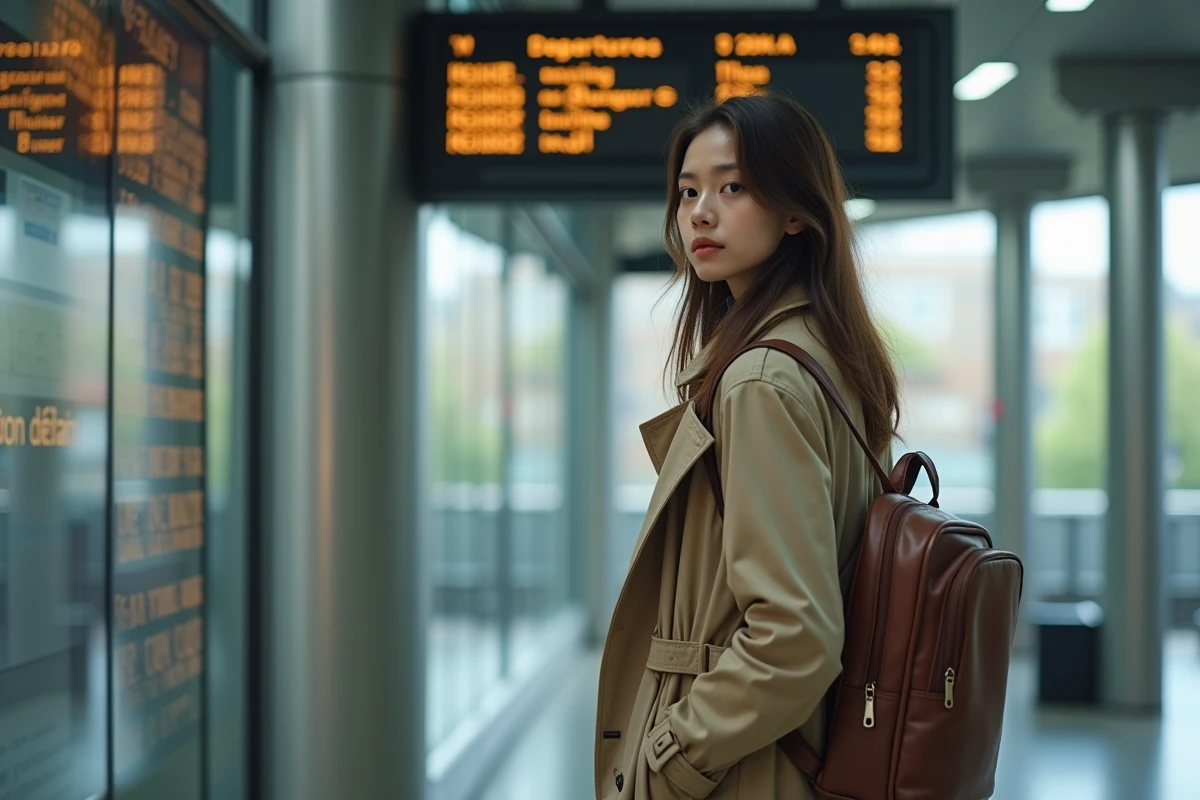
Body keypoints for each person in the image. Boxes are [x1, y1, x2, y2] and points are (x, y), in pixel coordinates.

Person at [594, 92, 901, 800]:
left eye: (733, 187)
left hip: (743, 765)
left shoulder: (760, 380)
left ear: (797, 210)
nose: (701, 211)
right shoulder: (824, 356)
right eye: (688, 191)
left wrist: (668, 760)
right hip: (785, 748)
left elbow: (793, 637)